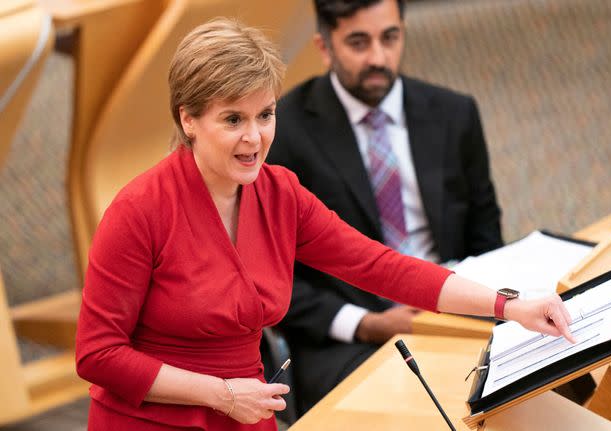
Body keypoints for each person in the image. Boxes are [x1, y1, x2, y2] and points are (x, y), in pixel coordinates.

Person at [75, 17, 574, 431]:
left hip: (246, 409)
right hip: (153, 420)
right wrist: (221, 394)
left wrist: (509, 306)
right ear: (188, 120)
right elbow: (97, 354)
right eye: (232, 120)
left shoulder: (279, 192)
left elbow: (382, 268)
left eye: (265, 114)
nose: (254, 138)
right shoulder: (139, 210)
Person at [267, 0, 504, 414]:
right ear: (324, 47)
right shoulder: (282, 132)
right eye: (359, 43)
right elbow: (273, 278)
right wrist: (369, 324)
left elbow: (487, 239)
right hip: (348, 336)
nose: (378, 57)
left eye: (390, 38)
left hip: (455, 307)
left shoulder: (455, 113)